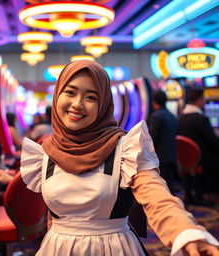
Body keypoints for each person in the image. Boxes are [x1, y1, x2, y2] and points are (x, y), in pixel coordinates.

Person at [20, 60, 219, 256]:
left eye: (91, 97)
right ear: (57, 96)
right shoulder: (45, 152)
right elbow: (53, 216)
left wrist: (185, 232)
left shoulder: (125, 149)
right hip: (58, 248)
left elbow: (157, 198)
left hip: (113, 248)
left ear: (104, 104)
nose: (77, 104)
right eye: (70, 92)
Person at [177, 87, 219, 205]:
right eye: (204, 99)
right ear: (199, 100)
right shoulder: (201, 119)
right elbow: (213, 141)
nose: (205, 102)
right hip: (201, 160)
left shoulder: (181, 118)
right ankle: (202, 194)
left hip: (185, 159)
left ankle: (189, 194)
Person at [148, 90, 179, 194]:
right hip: (172, 155)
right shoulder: (172, 116)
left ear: (154, 101)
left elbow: (151, 138)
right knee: (169, 185)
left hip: (160, 156)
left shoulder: (156, 116)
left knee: (162, 187)